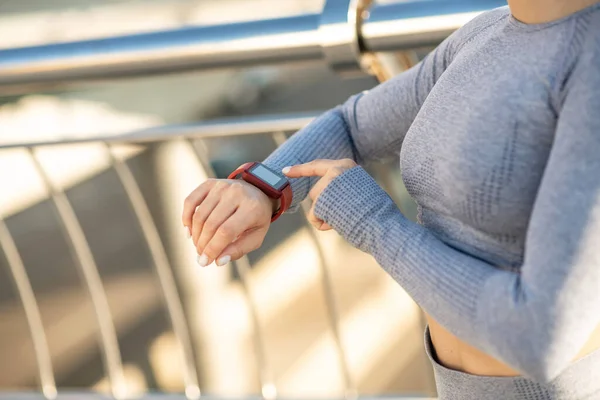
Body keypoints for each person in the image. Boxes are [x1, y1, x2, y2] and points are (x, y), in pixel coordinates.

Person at [182, 0, 600, 398]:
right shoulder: (487, 32)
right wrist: (263, 187)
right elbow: (354, 124)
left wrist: (371, 221)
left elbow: (540, 336)